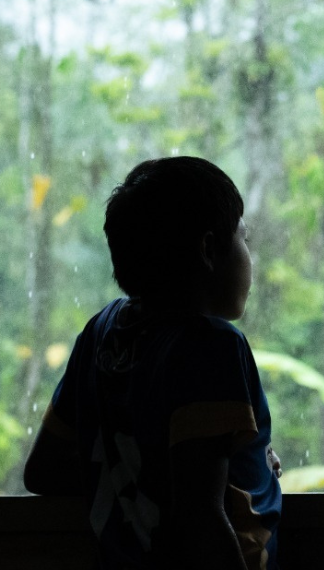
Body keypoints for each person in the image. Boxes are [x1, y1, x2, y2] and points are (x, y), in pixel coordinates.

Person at [24, 156, 282, 570]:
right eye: (244, 240)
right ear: (210, 249)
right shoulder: (212, 347)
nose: (249, 257)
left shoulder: (101, 333)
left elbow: (43, 472)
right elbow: (200, 516)